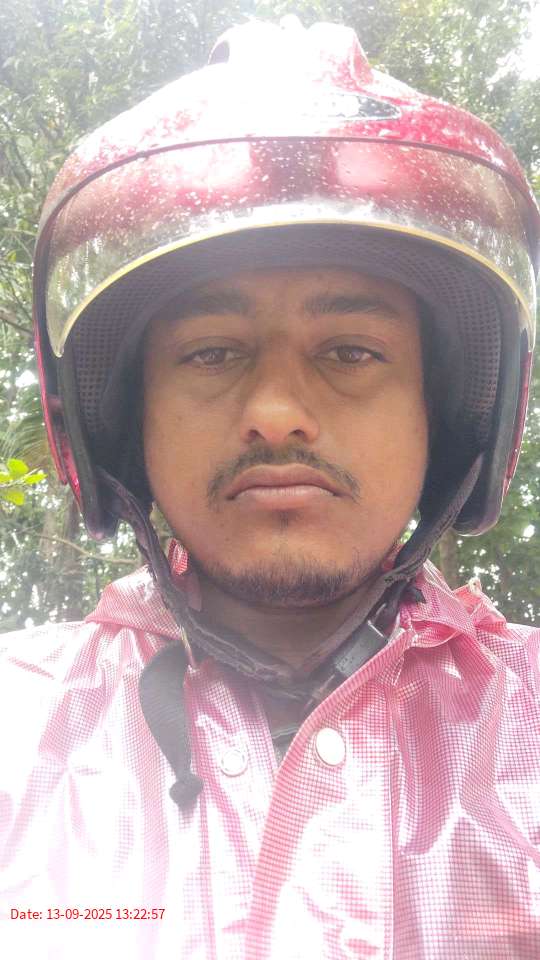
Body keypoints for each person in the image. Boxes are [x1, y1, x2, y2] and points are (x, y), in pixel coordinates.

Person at [1, 15, 539, 960]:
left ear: (448, 418)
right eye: (212, 352)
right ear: (124, 422)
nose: (278, 412)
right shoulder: (19, 728)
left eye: (351, 351)